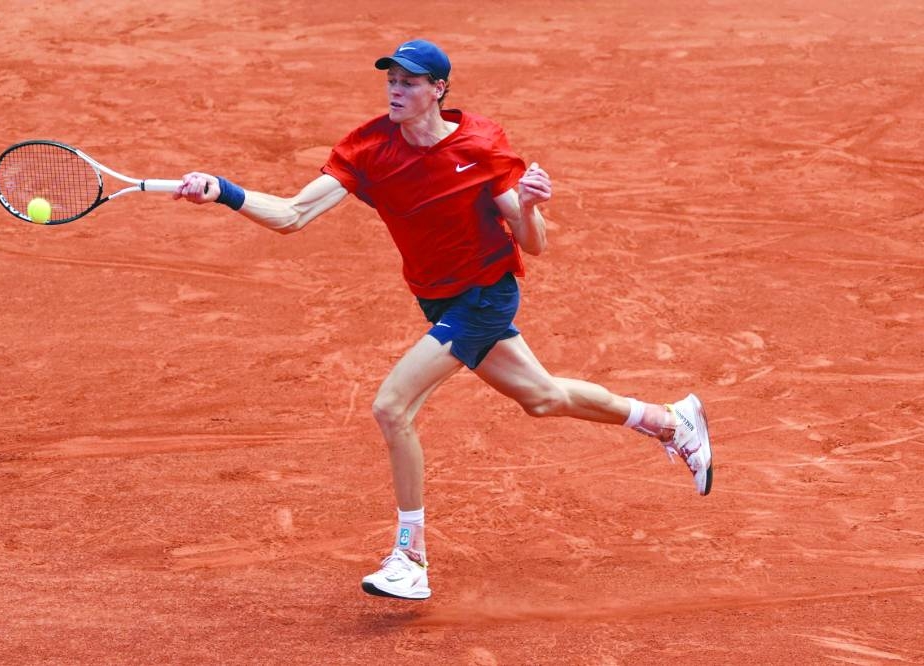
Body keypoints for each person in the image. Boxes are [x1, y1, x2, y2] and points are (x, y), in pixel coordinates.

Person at [173, 39, 713, 601]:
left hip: (483, 296)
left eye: (409, 82)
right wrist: (223, 192)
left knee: (391, 407)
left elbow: (536, 243)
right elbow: (291, 215)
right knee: (543, 398)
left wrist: (528, 207)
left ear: (438, 89)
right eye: (391, 80)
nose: (396, 91)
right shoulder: (368, 147)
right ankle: (671, 421)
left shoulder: (480, 145)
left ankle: (410, 556)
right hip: (437, 298)